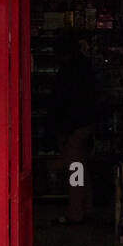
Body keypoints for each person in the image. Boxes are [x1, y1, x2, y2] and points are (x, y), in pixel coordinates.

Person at [49, 33, 95, 223]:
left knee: (75, 170)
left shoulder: (68, 70)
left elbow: (63, 101)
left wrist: (62, 130)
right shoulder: (85, 66)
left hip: (73, 127)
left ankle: (75, 213)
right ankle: (87, 208)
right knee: (82, 167)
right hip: (85, 124)